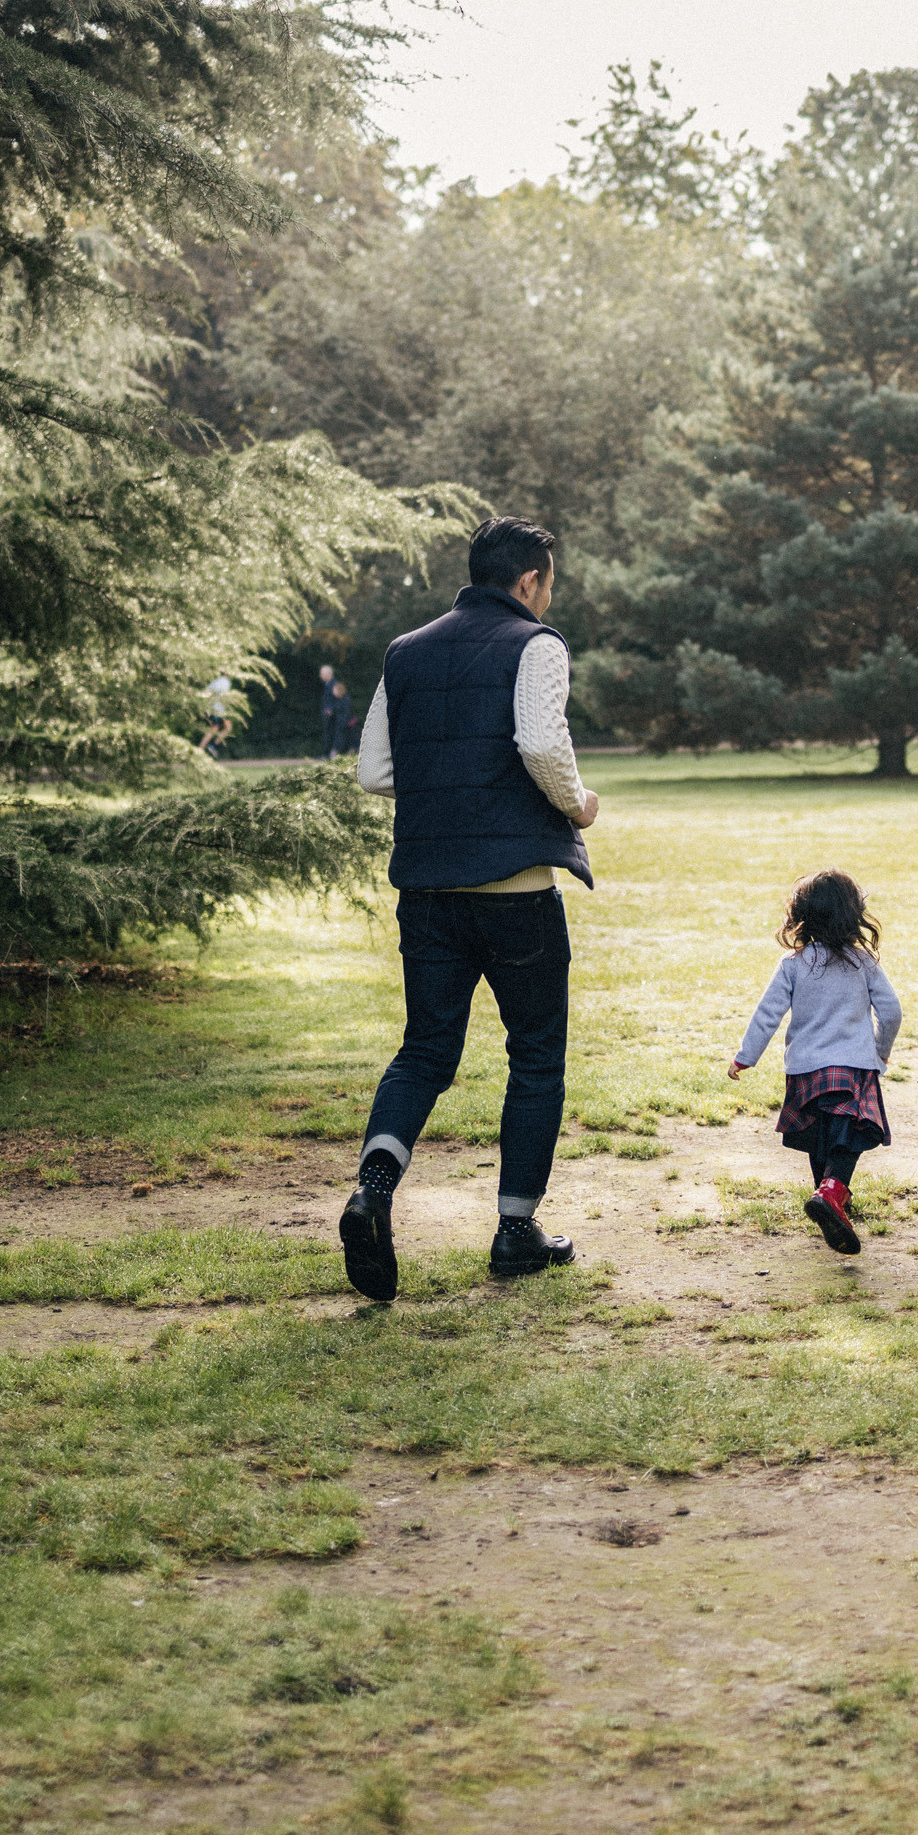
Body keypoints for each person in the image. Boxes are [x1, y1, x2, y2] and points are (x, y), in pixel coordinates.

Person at [337, 515, 600, 1302]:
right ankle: (516, 1232)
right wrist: (580, 807)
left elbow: (375, 771)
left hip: (426, 892)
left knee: (425, 1052)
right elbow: (541, 746)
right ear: (528, 582)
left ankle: (374, 1191)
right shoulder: (537, 645)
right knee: (535, 1056)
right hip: (516, 890)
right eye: (548, 583)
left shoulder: (404, 651)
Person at [727, 869, 901, 1257]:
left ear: (801, 916)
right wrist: (880, 1049)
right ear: (853, 914)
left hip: (805, 1069)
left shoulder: (793, 963)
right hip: (854, 1066)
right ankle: (833, 1194)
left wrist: (746, 1057)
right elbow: (890, 1011)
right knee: (851, 1133)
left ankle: (830, 1200)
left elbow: (767, 1014)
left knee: (818, 1133)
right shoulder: (863, 963)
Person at [318, 664, 354, 759]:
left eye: (322, 674)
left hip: (335, 718)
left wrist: (331, 710)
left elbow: (338, 702)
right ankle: (328, 754)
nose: (321, 676)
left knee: (334, 736)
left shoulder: (335, 685)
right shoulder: (328, 685)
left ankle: (329, 754)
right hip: (332, 716)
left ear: (329, 674)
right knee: (329, 735)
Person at [198, 675, 232, 757]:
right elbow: (225, 696)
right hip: (217, 711)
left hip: (216, 710)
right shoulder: (226, 682)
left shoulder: (216, 681)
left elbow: (206, 691)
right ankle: (199, 752)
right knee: (212, 731)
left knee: (228, 727)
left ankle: (211, 746)